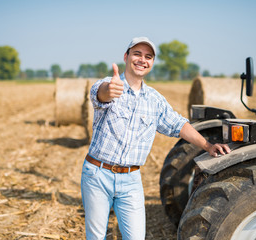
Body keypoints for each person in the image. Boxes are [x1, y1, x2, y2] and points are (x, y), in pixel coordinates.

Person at [81, 36, 231, 239]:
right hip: (98, 174)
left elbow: (179, 125)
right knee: (96, 237)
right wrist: (109, 90)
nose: (142, 59)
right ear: (126, 57)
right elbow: (99, 95)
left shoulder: (155, 100)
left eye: (148, 56)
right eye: (137, 54)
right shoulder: (109, 84)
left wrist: (207, 145)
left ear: (152, 63)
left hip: (131, 179)